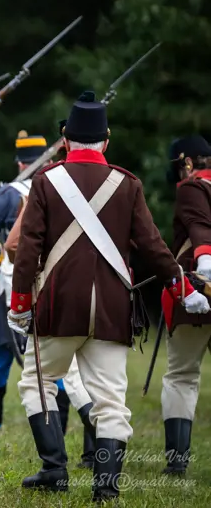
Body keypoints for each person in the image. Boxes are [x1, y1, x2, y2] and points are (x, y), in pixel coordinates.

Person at [8, 91, 209, 501]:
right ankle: (106, 488)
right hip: (113, 311)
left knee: (38, 382)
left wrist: (20, 306)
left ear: (65, 138)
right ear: (107, 140)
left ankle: (54, 469)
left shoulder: (46, 182)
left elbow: (28, 250)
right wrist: (181, 286)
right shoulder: (128, 183)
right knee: (111, 401)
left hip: (59, 306)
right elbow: (154, 248)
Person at [0, 130, 94, 456]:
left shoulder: (10, 194)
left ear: (20, 162)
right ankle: (65, 431)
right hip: (64, 284)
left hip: (13, 285)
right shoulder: (70, 189)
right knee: (62, 363)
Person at [159, 135, 211, 476]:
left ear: (187, 162)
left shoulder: (192, 188)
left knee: (181, 376)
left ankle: (177, 463)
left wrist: (204, 270)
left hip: (199, 288)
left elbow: (200, 229)